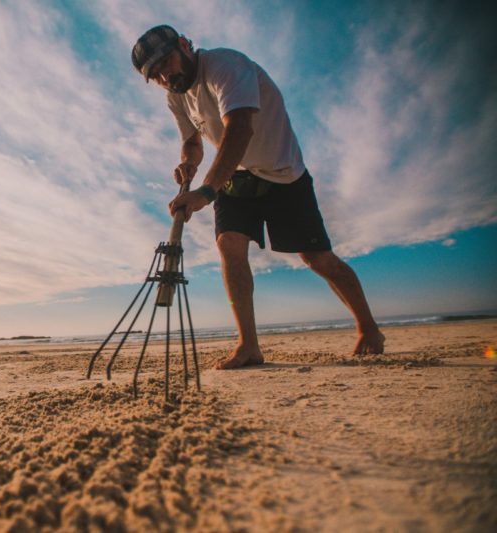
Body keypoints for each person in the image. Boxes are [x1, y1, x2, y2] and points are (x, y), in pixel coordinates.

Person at [131, 25, 385, 369]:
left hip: (283, 173)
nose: (164, 76)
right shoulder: (175, 95)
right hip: (235, 175)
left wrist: (206, 191)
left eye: (166, 63)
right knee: (229, 245)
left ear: (184, 45)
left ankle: (368, 328)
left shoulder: (226, 67)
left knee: (317, 259)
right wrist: (188, 164)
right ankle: (249, 345)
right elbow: (192, 141)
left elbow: (240, 129)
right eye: (155, 74)